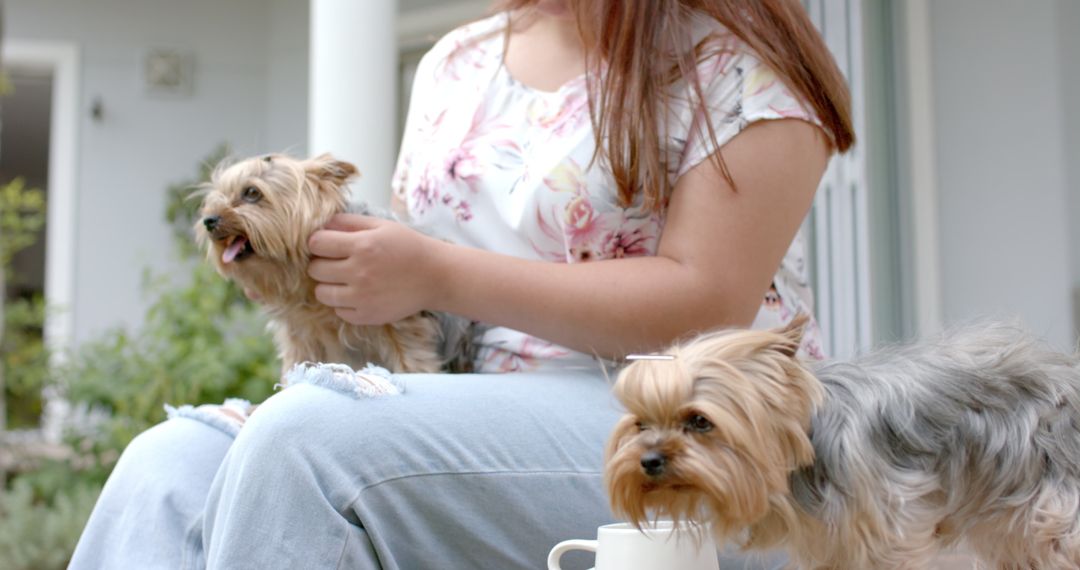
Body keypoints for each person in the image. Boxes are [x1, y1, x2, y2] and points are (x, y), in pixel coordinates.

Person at [69, 0, 853, 568]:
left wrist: (435, 272)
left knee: (308, 444)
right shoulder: (461, 59)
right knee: (166, 463)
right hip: (449, 390)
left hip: (664, 414)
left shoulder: (739, 62)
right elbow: (418, 266)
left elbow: (706, 300)